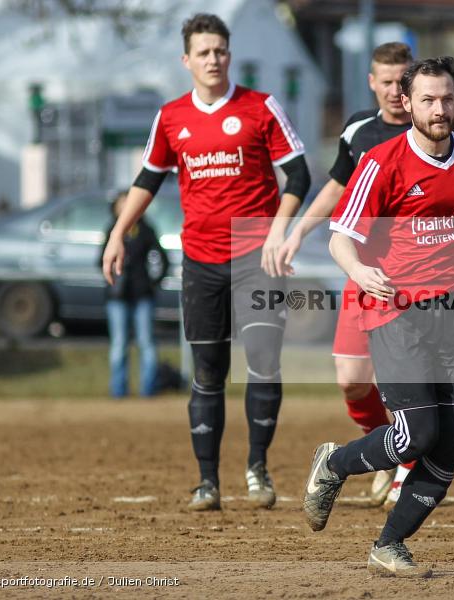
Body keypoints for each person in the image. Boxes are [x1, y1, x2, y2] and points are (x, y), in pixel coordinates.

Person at [302, 56, 454, 577]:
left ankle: (389, 543)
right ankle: (335, 463)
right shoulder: (382, 163)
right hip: (396, 311)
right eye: (429, 100)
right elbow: (342, 237)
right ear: (407, 103)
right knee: (415, 435)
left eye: (447, 99)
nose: (440, 109)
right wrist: (361, 272)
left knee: (452, 443)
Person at [277, 43, 454, 508]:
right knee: (352, 379)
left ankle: (401, 456)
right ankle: (383, 444)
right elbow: (338, 193)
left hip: (435, 297)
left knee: (429, 413)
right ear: (380, 85)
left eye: (403, 81)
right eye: (385, 81)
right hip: (369, 280)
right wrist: (298, 232)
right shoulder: (363, 136)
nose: (393, 90)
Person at [102, 13, 311, 511]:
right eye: (203, 52)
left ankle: (258, 469)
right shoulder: (172, 117)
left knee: (262, 362)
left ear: (229, 55)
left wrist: (277, 230)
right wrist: (117, 233)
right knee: (207, 371)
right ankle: (207, 482)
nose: (213, 59)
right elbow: (147, 180)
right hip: (200, 260)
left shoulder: (261, 107)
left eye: (220, 50)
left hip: (258, 256)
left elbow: (298, 176)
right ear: (187, 61)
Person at [100, 191, 169, 398]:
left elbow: (162, 259)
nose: (125, 208)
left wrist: (152, 282)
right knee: (119, 345)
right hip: (117, 297)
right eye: (122, 204)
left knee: (146, 343)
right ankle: (118, 392)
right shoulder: (112, 231)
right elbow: (100, 261)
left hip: (142, 295)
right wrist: (113, 276)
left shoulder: (146, 230)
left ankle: (148, 390)